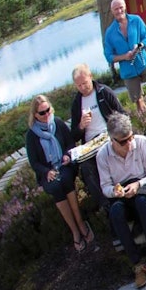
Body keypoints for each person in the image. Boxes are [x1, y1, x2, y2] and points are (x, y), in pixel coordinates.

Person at [96, 113, 146, 289]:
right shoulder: (102, 155)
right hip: (122, 195)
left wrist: (139, 183)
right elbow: (105, 187)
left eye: (130, 138)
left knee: (142, 202)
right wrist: (115, 191)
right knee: (115, 212)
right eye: (122, 142)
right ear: (112, 139)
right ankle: (137, 264)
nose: (128, 144)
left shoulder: (141, 142)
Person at [25, 95, 94, 253]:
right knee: (56, 186)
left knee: (67, 179)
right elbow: (34, 162)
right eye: (42, 113)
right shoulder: (31, 135)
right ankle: (75, 231)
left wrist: (67, 155)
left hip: (64, 165)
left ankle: (81, 223)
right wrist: (46, 171)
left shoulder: (58, 123)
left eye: (48, 110)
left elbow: (70, 142)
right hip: (48, 171)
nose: (46, 114)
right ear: (35, 115)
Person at [69, 63, 126, 209]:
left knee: (113, 157)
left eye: (85, 83)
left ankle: (124, 193)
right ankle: (105, 205)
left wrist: (114, 132)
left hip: (109, 136)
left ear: (91, 77)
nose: (83, 87)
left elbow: (122, 115)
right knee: (87, 168)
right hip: (90, 144)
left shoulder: (104, 92)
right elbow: (74, 135)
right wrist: (81, 126)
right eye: (79, 85)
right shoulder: (77, 103)